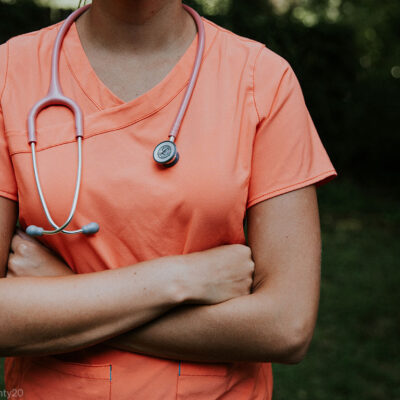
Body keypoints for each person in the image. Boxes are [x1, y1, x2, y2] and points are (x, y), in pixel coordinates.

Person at [0, 0, 337, 398]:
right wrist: (176, 281)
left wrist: (63, 295)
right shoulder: (10, 70)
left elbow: (285, 326)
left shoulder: (262, 79)